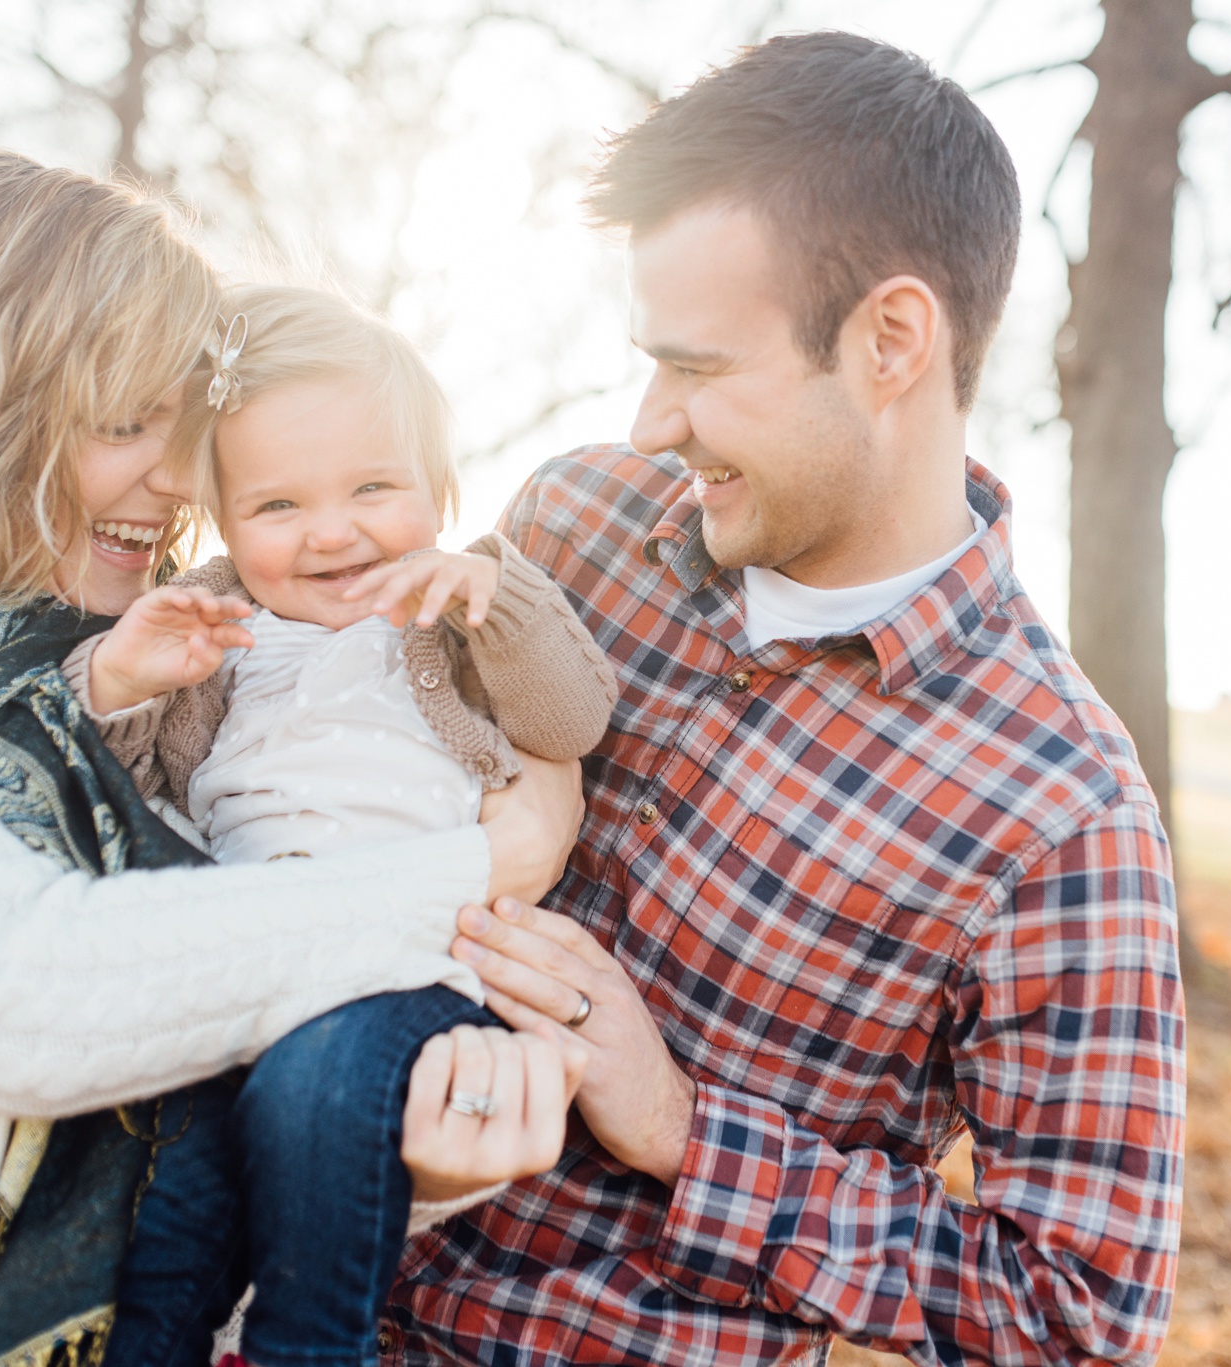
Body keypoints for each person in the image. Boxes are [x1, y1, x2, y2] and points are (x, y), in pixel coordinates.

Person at [0, 151, 583, 1367]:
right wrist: (488, 859)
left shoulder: (143, 684)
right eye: (123, 424)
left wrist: (398, 1143)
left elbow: (199, 1024)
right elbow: (18, 992)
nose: (176, 483)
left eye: (186, 428)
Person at [389, 34, 1186, 1366]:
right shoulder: (573, 527)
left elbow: (1079, 1316)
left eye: (698, 369)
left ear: (891, 340)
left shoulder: (1060, 811)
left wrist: (688, 1127)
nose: (651, 422)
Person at [61, 283, 619, 1365]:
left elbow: (573, 712)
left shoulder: (458, 614)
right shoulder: (211, 628)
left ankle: (310, 1346)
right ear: (224, 521)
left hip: (406, 973)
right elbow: (109, 785)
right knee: (175, 1192)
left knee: (321, 1092)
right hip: (237, 980)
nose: (331, 532)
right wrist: (120, 673)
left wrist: (490, 598)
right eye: (277, 507)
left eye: (373, 486)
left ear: (439, 489)